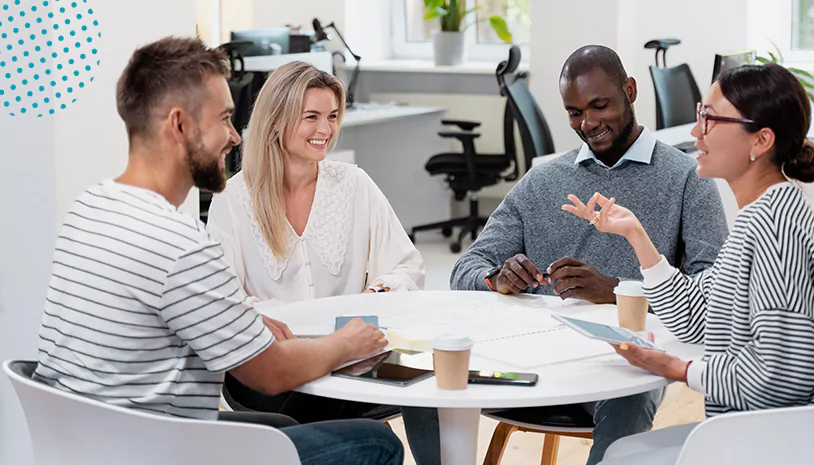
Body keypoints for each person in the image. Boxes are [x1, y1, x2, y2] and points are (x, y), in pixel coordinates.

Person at [32, 36, 402, 465]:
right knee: (378, 442)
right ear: (180, 125)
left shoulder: (91, 208)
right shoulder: (180, 245)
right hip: (159, 450)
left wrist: (239, 316)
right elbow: (271, 374)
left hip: (93, 440)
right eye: (224, 118)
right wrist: (346, 342)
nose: (233, 136)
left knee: (280, 428)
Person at [562, 63, 814, 463]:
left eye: (710, 119)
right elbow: (697, 316)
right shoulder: (764, 213)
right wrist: (637, 237)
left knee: (623, 458)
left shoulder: (773, 228)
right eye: (700, 115)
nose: (696, 131)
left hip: (802, 444)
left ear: (760, 140)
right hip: (782, 432)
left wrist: (678, 369)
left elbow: (781, 376)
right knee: (624, 453)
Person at [450, 45, 729, 464]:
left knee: (629, 399)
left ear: (630, 91)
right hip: (538, 358)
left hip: (629, 362)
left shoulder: (688, 179)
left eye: (600, 105)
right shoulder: (542, 181)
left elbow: (715, 295)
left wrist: (617, 291)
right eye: (575, 112)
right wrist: (498, 278)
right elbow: (464, 270)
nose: (589, 123)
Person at [205, 61, 439, 464]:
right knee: (331, 417)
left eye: (332, 117)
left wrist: (375, 296)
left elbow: (406, 267)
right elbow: (223, 301)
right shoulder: (233, 198)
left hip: (352, 361)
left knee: (432, 380)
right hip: (270, 368)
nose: (325, 130)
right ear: (276, 120)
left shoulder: (354, 184)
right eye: (311, 117)